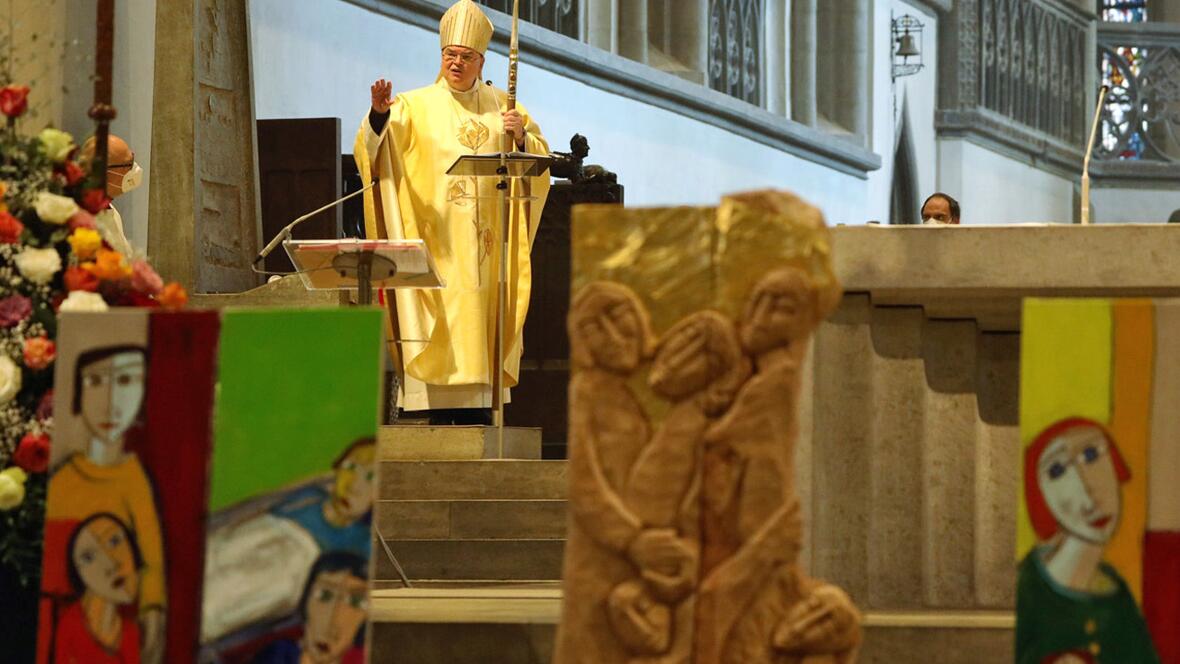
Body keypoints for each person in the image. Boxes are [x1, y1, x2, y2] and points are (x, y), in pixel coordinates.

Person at [354, 0, 551, 424]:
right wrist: (378, 115)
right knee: (438, 322)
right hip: (436, 241)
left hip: (485, 249)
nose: (456, 63)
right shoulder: (412, 106)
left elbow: (538, 167)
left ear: (482, 60)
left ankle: (482, 406)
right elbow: (371, 152)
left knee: (482, 332)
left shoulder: (506, 109)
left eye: (465, 57)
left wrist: (520, 141)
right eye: (450, 55)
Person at [40, 346, 166, 664]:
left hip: (114, 632)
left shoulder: (134, 480)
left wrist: (152, 610)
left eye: (126, 381)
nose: (110, 402)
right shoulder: (63, 479)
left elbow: (151, 559)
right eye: (96, 381)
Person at [1016, 417, 1161, 664]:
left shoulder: (1116, 594)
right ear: (1039, 494)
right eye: (1057, 470)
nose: (1087, 491)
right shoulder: (1026, 588)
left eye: (1092, 454)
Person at [52, 513, 144, 664]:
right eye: (88, 557)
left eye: (115, 541)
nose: (110, 564)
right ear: (78, 572)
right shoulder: (71, 625)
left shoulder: (131, 633)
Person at [252, 552, 369, 664]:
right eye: (324, 595)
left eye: (356, 602)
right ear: (306, 599)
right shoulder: (276, 656)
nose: (331, 623)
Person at [270, 438, 377, 560]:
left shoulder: (365, 544)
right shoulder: (303, 502)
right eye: (351, 467)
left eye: (371, 478)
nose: (353, 486)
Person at [78, 134, 142, 256]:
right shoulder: (84, 220)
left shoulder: (110, 209)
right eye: (128, 164)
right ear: (104, 173)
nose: (134, 169)